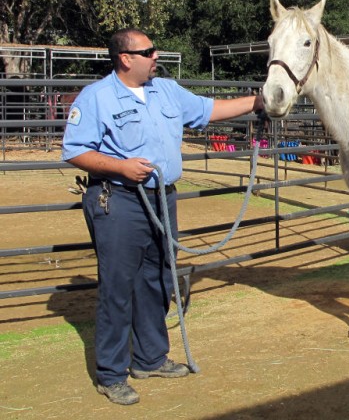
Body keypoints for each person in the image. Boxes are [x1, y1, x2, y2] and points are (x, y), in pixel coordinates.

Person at [62, 29, 263, 405]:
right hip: (119, 201)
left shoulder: (166, 90)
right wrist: (119, 167)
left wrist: (258, 101)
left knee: (156, 280)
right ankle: (111, 373)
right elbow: (75, 150)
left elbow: (209, 110)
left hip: (163, 199)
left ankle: (150, 358)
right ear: (126, 58)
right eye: (149, 52)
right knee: (118, 288)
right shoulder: (97, 98)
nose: (157, 57)